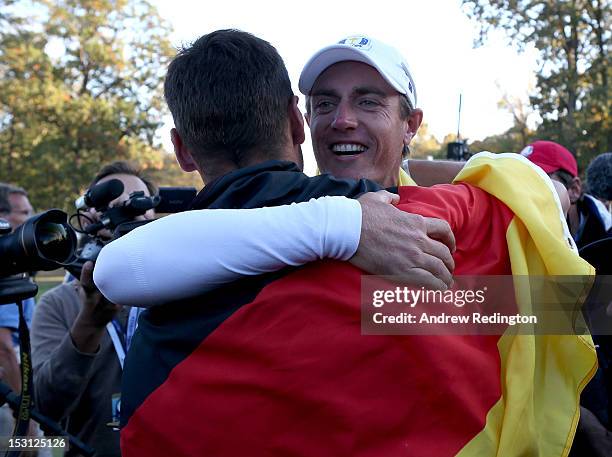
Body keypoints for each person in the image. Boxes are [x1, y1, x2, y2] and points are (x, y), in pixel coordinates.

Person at [98, 31, 595, 457]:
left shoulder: (441, 222)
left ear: (412, 124)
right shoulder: (444, 221)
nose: (342, 119)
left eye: (370, 101)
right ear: (299, 123)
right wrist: (342, 225)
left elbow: (568, 307)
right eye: (324, 104)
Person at [30, 161, 156, 457]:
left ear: (152, 214)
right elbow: (44, 409)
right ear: (87, 218)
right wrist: (90, 322)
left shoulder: (182, 290)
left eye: (135, 204)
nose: (122, 213)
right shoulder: (57, 304)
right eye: (109, 204)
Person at [521, 140, 612, 248]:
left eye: (539, 181)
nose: (523, 192)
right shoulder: (515, 242)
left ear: (574, 189)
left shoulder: (606, 233)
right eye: (519, 183)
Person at [0, 183, 36, 436]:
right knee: (43, 448)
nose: (29, 219)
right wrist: (25, 423)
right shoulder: (6, 274)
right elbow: (4, 349)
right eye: (22, 213)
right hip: (9, 406)